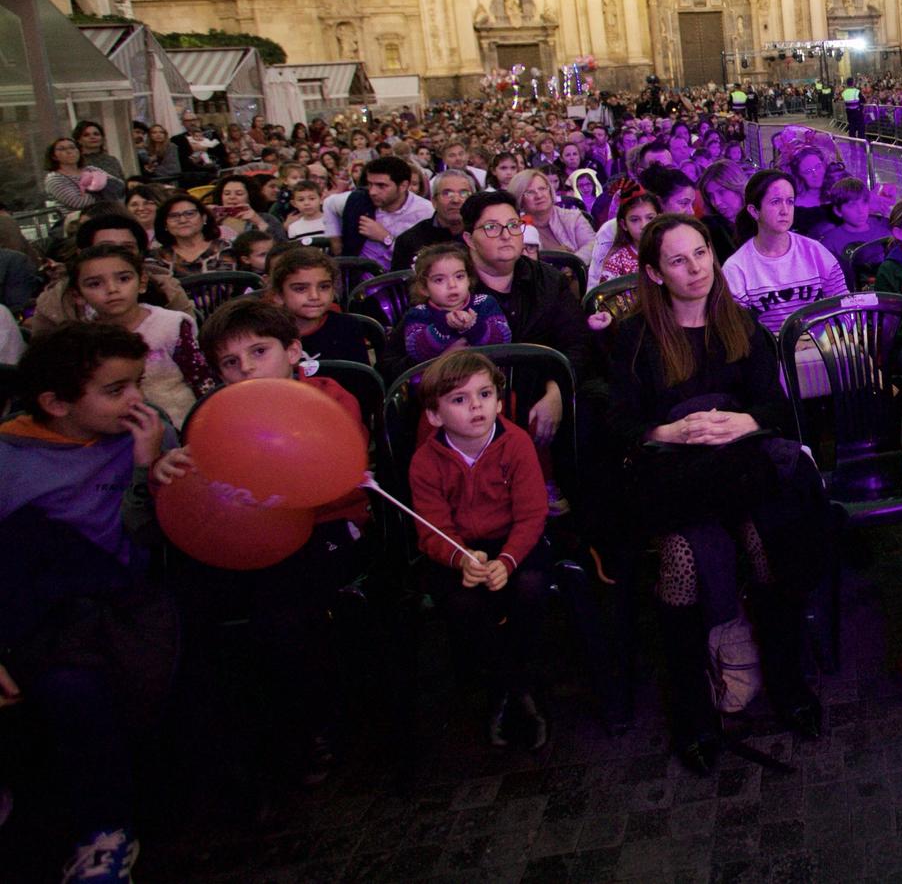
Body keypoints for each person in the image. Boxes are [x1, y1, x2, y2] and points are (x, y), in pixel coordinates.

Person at [606, 215, 826, 770]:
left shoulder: (741, 323)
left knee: (766, 534)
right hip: (674, 477)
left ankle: (785, 680)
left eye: (701, 253)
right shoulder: (633, 338)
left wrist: (745, 423)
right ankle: (690, 712)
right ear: (654, 273)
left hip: (735, 469)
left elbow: (776, 408)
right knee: (681, 556)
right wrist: (668, 431)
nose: (696, 268)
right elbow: (620, 425)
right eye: (678, 260)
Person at [158, 297, 373, 788]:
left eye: (260, 352)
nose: (248, 370)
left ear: (293, 350)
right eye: (231, 363)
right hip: (251, 534)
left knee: (285, 608)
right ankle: (224, 739)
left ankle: (313, 725)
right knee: (195, 602)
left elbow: (337, 475)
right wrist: (165, 474)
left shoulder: (329, 397)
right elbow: (204, 484)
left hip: (328, 523)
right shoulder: (215, 414)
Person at [1, 323, 174, 884]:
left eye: (138, 383)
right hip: (39, 604)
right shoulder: (10, 457)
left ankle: (111, 827)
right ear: (55, 403)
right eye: (116, 389)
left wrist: (150, 469)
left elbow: (155, 537)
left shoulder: (147, 434)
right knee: (63, 687)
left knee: (99, 686)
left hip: (130, 595)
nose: (136, 400)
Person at [407, 349, 551, 751]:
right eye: (459, 399)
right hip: (460, 548)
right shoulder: (424, 461)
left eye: (485, 395)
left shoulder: (516, 443)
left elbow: (532, 514)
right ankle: (498, 688)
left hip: (513, 542)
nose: (476, 406)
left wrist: (507, 560)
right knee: (461, 603)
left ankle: (523, 683)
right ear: (434, 416)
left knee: (532, 586)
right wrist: (460, 558)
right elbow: (432, 529)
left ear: (499, 401)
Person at [458, 191, 591, 517]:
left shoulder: (548, 281)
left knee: (593, 407)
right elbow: (400, 360)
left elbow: (578, 343)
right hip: (470, 399)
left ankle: (587, 532)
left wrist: (557, 392)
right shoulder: (449, 283)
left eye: (513, 225)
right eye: (491, 227)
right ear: (469, 239)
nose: (506, 235)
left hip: (540, 392)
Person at [66, 243, 206, 427]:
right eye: (95, 284)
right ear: (78, 295)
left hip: (183, 425)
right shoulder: (80, 339)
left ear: (142, 283)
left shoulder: (170, 325)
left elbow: (202, 381)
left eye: (123, 279)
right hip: (115, 435)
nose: (112, 289)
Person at [722, 169, 848, 337]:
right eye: (775, 202)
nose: (785, 210)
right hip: (772, 356)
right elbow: (738, 331)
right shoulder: (736, 267)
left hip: (824, 349)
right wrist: (785, 346)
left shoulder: (816, 251)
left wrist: (823, 339)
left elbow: (845, 307)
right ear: (754, 211)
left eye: (790, 202)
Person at [30, 210, 197, 334]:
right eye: (106, 247)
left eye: (127, 248)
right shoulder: (57, 301)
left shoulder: (167, 289)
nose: (117, 256)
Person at [399, 243, 513, 367]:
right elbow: (417, 351)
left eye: (459, 276)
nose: (452, 285)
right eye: (439, 280)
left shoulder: (484, 303)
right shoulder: (419, 313)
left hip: (485, 377)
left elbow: (503, 340)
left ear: (469, 279)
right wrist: (444, 325)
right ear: (424, 288)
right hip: (442, 381)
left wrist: (473, 327)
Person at [266, 245, 375, 368]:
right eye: (301, 289)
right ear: (278, 295)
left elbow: (364, 381)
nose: (314, 296)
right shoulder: (267, 334)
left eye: (324, 287)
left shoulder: (348, 326)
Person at [337, 157, 435, 271]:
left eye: (381, 186)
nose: (372, 192)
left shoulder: (425, 212)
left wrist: (386, 238)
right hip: (360, 281)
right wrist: (335, 238)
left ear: (403, 186)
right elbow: (330, 204)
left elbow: (425, 258)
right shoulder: (360, 201)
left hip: (402, 281)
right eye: (370, 184)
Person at [390, 169, 476, 270]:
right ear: (434, 201)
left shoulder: (484, 235)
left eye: (464, 193)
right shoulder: (409, 241)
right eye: (447, 193)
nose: (456, 200)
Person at [509, 167, 595, 255]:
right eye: (530, 192)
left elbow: (592, 245)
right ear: (519, 198)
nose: (539, 196)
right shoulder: (516, 229)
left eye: (542, 189)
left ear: (550, 190)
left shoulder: (573, 217)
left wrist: (572, 264)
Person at [595, 190, 661, 286]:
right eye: (635, 220)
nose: (644, 225)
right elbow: (609, 298)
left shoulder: (672, 251)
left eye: (650, 218)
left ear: (659, 219)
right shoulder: (617, 261)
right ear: (624, 224)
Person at [44, 137, 122, 214]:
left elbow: (118, 185)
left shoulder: (90, 169)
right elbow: (78, 202)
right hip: (79, 220)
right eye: (62, 149)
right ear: (53, 156)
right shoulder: (54, 178)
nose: (69, 151)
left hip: (106, 213)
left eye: (72, 147)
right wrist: (106, 193)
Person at [284, 178, 334, 247]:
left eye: (312, 198)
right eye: (301, 200)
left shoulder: (332, 222)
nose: (306, 203)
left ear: (321, 199)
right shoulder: (293, 227)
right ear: (294, 203)